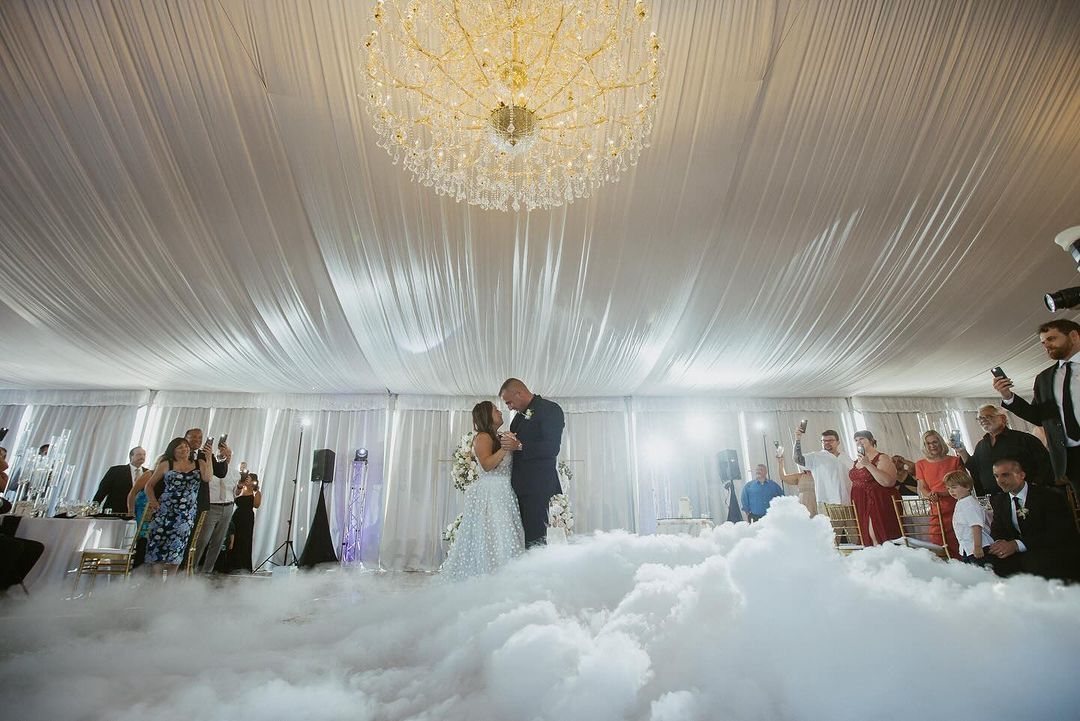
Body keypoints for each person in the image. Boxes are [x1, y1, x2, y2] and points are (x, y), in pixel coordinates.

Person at [441, 401, 525, 580]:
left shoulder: (497, 436)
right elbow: (487, 465)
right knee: (493, 535)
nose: (500, 411)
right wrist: (505, 447)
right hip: (491, 493)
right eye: (495, 410)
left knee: (504, 535)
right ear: (487, 416)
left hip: (504, 492)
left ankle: (505, 577)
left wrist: (513, 444)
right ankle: (491, 577)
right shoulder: (483, 437)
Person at [994, 319, 1080, 494]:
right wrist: (1008, 396)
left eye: (1052, 339)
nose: (1046, 345)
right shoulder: (1045, 378)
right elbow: (1039, 417)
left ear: (1073, 336)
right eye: (1043, 342)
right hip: (1071, 456)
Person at [987, 457, 1079, 580]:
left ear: (1022, 475)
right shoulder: (999, 500)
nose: (1000, 481)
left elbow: (1057, 533)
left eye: (1005, 475)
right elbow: (997, 529)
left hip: (1052, 548)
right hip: (1023, 552)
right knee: (990, 562)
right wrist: (999, 544)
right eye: (996, 476)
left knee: (1033, 562)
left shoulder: (1050, 496)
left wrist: (1017, 545)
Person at [498, 379, 565, 547]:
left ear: (519, 393)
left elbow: (552, 448)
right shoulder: (518, 417)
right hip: (519, 486)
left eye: (509, 402)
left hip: (537, 486)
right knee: (521, 538)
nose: (509, 407)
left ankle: (537, 565)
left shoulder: (550, 409)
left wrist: (520, 446)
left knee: (535, 539)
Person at [143, 438, 212, 578]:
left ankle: (170, 582)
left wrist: (209, 457)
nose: (184, 449)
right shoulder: (166, 464)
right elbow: (149, 486)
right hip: (165, 511)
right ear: (173, 450)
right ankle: (155, 583)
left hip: (186, 514)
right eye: (180, 447)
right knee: (159, 545)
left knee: (178, 546)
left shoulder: (199, 463)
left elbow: (207, 478)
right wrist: (154, 502)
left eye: (186, 446)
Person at [953, 405, 1052, 494]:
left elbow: (1045, 464)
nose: (983, 420)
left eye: (988, 416)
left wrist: (1035, 486)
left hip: (1026, 494)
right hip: (996, 499)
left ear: (1003, 418)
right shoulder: (981, 445)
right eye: (980, 418)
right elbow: (974, 467)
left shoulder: (1024, 439)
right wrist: (962, 451)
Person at [915, 430, 963, 558]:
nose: (932, 446)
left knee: (960, 540)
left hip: (957, 507)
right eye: (928, 443)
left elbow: (964, 484)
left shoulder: (955, 460)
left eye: (935, 442)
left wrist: (942, 493)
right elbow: (922, 487)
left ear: (940, 442)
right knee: (937, 541)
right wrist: (930, 495)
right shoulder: (920, 464)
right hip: (937, 508)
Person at [848, 430, 901, 545]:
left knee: (875, 533)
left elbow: (888, 482)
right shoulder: (856, 461)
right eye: (856, 440)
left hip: (876, 499)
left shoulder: (882, 457)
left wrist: (868, 464)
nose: (858, 442)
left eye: (862, 439)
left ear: (871, 440)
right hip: (860, 501)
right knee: (866, 534)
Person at [191, 457, 240, 575]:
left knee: (219, 541)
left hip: (228, 506)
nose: (226, 456)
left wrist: (239, 488)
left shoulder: (234, 472)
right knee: (203, 539)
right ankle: (192, 568)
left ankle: (207, 570)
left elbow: (235, 493)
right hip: (211, 506)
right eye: (222, 453)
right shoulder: (208, 468)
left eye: (228, 453)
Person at [793, 426, 851, 510]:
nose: (827, 443)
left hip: (848, 502)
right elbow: (798, 459)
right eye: (824, 441)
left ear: (838, 442)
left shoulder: (845, 457)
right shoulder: (816, 457)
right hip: (827, 503)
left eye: (830, 440)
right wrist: (797, 439)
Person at [944, 470, 994, 565]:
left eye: (954, 487)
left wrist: (977, 547)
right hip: (967, 548)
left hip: (977, 547)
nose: (951, 491)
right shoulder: (961, 502)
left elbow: (976, 526)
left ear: (967, 487)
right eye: (948, 488)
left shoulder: (969, 503)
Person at [92, 446, 149, 513]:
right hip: (115, 511)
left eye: (144, 454)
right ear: (131, 456)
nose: (142, 457)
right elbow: (102, 490)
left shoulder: (148, 473)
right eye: (139, 454)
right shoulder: (116, 470)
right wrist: (93, 508)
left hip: (139, 512)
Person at [227, 466, 261, 573]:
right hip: (237, 515)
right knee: (234, 538)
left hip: (248, 517)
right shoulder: (241, 488)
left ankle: (244, 565)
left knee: (245, 539)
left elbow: (256, 505)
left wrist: (255, 491)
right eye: (247, 478)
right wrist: (241, 486)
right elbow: (235, 496)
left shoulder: (256, 492)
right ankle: (232, 564)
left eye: (250, 479)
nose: (248, 480)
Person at [125, 469, 155, 569]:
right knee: (142, 540)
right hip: (141, 512)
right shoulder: (149, 474)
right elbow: (132, 493)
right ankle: (138, 569)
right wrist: (131, 512)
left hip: (154, 514)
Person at [776, 446, 816, 514]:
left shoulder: (818, 474)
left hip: (817, 504)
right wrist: (780, 462)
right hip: (803, 505)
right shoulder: (800, 476)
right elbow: (783, 477)